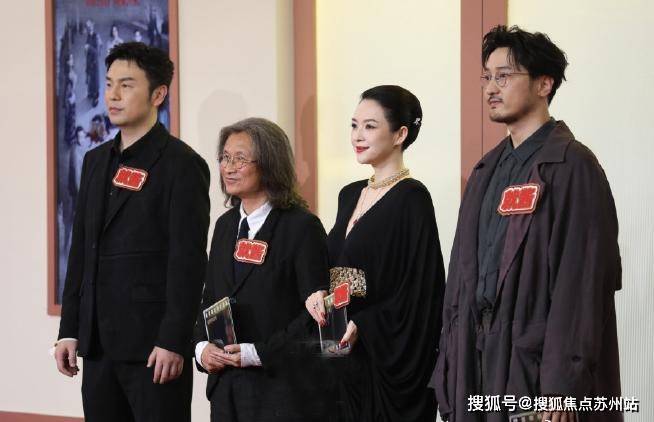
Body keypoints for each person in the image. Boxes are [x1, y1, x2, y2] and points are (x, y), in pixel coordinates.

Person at [433, 26, 622, 422]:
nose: (491, 88)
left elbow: (583, 283)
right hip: (478, 361)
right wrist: (448, 370)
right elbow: (460, 283)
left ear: (543, 84)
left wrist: (561, 389)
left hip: (536, 368)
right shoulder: (485, 171)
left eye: (504, 76)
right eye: (487, 76)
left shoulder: (572, 166)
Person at [54, 42, 210, 422]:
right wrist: (69, 329)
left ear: (158, 94)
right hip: (98, 345)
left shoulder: (182, 165)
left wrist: (173, 339)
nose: (113, 95)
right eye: (109, 84)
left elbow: (188, 262)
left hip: (154, 349)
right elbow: (82, 251)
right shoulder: (95, 161)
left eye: (126, 85)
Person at [305, 85, 446, 421]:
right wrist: (316, 291)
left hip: (382, 360)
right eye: (354, 125)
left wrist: (366, 324)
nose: (358, 135)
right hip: (340, 356)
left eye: (370, 126)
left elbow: (421, 293)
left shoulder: (413, 198)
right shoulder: (349, 194)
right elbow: (331, 262)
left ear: (400, 134)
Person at [193, 117, 330, 422]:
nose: (229, 167)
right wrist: (201, 348)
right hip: (227, 391)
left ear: (270, 163)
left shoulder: (301, 227)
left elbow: (315, 318)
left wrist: (258, 353)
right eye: (225, 157)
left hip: (282, 392)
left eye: (240, 159)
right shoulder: (225, 225)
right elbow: (210, 297)